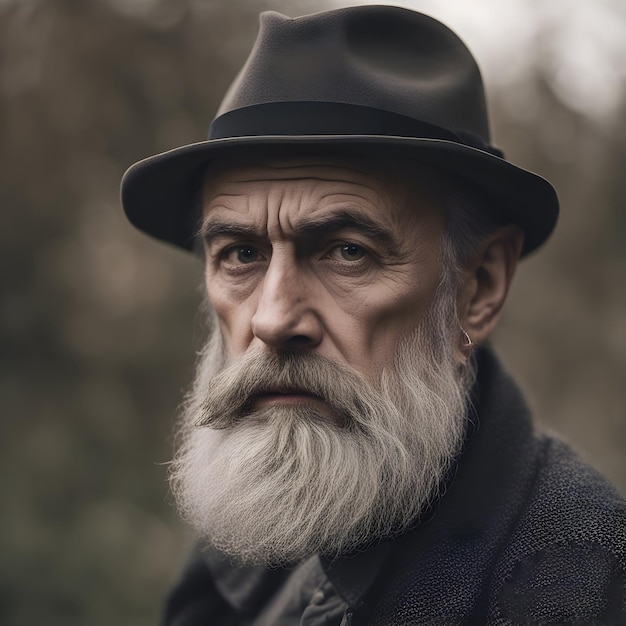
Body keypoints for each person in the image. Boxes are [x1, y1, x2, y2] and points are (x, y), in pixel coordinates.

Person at [121, 5, 626, 624]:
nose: (273, 320)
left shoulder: (583, 582)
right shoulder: (258, 538)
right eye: (242, 253)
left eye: (347, 252)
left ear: (479, 287)